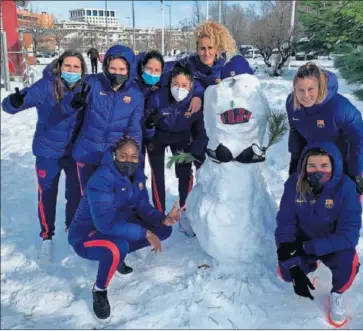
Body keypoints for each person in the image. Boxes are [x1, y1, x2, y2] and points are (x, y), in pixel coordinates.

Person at [68, 137, 184, 320]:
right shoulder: (101, 180)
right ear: (114, 156)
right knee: (117, 246)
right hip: (87, 235)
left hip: (118, 223)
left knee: (163, 231)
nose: (129, 161)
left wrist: (164, 219)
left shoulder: (136, 175)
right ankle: (99, 290)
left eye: (133, 157)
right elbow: (105, 224)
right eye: (123, 156)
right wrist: (145, 233)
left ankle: (117, 256)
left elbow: (143, 207)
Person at [2, 50, 87, 261]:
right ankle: (47, 236)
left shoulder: (87, 88)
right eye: (68, 66)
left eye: (77, 67)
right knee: (47, 193)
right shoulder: (45, 86)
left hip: (74, 151)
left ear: (83, 70)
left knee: (75, 192)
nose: (72, 70)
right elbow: (10, 106)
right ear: (60, 66)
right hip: (47, 151)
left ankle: (72, 229)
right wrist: (13, 101)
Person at [275, 141, 362, 328]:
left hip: (333, 244)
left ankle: (337, 293)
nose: (318, 171)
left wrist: (309, 247)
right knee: (286, 272)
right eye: (312, 166)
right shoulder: (293, 185)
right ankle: (309, 266)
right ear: (304, 167)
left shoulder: (346, 188)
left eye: (324, 166)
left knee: (347, 266)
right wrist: (294, 268)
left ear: (334, 165)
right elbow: (284, 226)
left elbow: (349, 235)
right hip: (303, 240)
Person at [63, 44, 144, 192]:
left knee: (110, 198)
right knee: (88, 197)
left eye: (121, 70)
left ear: (129, 70)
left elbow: (135, 129)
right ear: (106, 67)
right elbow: (66, 109)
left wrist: (132, 156)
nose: (116, 73)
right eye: (113, 69)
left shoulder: (135, 95)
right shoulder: (92, 83)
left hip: (113, 157)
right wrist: (73, 103)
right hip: (86, 152)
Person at [144, 63, 208, 235]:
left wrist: (195, 150)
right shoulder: (157, 98)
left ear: (191, 86)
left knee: (185, 174)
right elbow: (146, 127)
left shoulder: (195, 101)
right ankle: (159, 215)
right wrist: (150, 124)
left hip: (181, 136)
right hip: (158, 137)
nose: (179, 89)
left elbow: (202, 129)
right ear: (169, 83)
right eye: (175, 84)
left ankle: (184, 213)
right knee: (157, 175)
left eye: (184, 85)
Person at [286, 62, 363, 196]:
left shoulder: (341, 108)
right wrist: (295, 161)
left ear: (320, 86)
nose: (305, 96)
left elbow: (359, 139)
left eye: (311, 89)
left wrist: (355, 173)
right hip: (314, 160)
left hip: (345, 161)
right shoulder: (292, 104)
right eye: (300, 90)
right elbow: (295, 131)